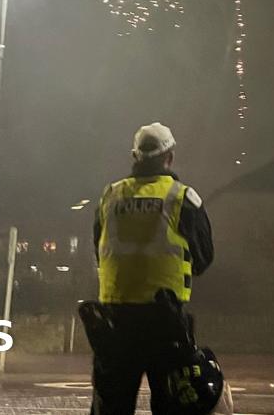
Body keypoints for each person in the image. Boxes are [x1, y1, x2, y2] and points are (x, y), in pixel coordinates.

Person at [90, 122, 214, 415]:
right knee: (174, 405)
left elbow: (100, 250)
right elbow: (204, 257)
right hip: (165, 322)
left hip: (115, 322)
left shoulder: (110, 196)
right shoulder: (181, 198)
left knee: (111, 407)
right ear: (169, 156)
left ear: (136, 157)